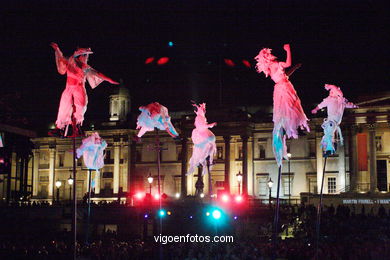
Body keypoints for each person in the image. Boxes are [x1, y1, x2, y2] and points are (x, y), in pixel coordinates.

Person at [255, 44, 309, 166]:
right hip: (285, 88)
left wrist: (294, 68)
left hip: (280, 88)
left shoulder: (270, 69)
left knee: (288, 109)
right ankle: (295, 127)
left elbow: (284, 75)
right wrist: (288, 50)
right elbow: (287, 64)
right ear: (268, 57)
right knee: (293, 107)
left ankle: (292, 128)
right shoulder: (276, 64)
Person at [49, 43, 119, 137]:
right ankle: (59, 127)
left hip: (79, 87)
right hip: (69, 88)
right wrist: (57, 49)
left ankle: (77, 124)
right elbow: (61, 58)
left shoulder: (84, 67)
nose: (84, 57)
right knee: (64, 106)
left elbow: (97, 73)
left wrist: (109, 80)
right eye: (83, 55)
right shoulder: (70, 62)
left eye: (85, 56)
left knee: (81, 105)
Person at [312, 84, 357, 156]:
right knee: (329, 134)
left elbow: (348, 104)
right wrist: (315, 109)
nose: (330, 93)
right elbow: (321, 105)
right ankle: (330, 148)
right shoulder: (333, 100)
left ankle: (330, 148)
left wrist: (354, 106)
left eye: (331, 92)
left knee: (328, 134)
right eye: (330, 92)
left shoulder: (339, 101)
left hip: (333, 120)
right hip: (334, 120)